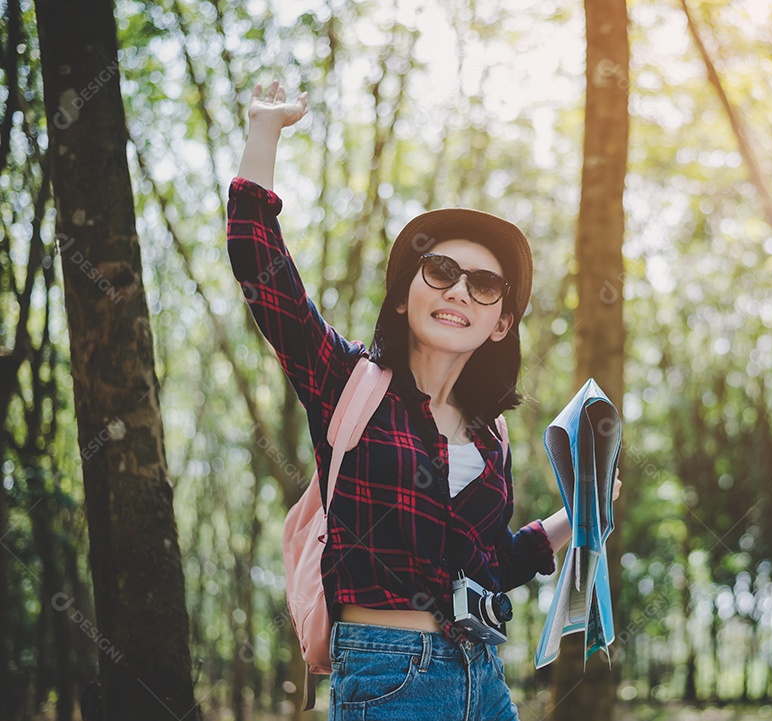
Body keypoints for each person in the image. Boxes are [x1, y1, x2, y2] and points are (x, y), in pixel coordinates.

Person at [227, 80, 621, 720]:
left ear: (501, 322)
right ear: (407, 294)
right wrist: (265, 128)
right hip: (387, 677)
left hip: (484, 677)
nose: (459, 290)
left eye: (484, 284)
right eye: (441, 272)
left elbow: (491, 566)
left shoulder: (491, 440)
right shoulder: (346, 380)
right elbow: (258, 265)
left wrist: (581, 513)